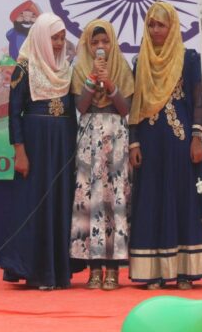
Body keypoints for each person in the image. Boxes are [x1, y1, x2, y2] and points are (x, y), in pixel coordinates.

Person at [127, 1, 202, 290]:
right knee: (152, 200)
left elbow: (199, 101)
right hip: (150, 143)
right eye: (150, 24)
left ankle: (185, 271)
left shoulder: (188, 59)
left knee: (181, 199)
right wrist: (134, 142)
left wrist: (197, 137)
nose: (155, 30)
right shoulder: (141, 61)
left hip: (180, 142)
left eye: (160, 25)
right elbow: (135, 106)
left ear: (172, 26)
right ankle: (154, 272)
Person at [1, 12, 78, 290]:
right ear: (40, 38)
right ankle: (35, 271)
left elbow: (74, 108)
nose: (58, 44)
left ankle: (58, 271)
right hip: (35, 146)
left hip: (62, 146)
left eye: (61, 38)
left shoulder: (66, 69)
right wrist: (19, 152)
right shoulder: (25, 68)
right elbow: (13, 114)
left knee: (60, 202)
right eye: (53, 38)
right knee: (35, 205)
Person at [69, 19, 134, 290]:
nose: (100, 47)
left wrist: (109, 84)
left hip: (116, 135)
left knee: (113, 199)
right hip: (88, 136)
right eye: (94, 42)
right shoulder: (80, 68)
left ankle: (114, 269)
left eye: (105, 41)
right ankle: (93, 269)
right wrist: (91, 80)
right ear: (87, 44)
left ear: (113, 43)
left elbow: (125, 108)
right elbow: (81, 106)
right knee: (91, 200)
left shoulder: (123, 67)